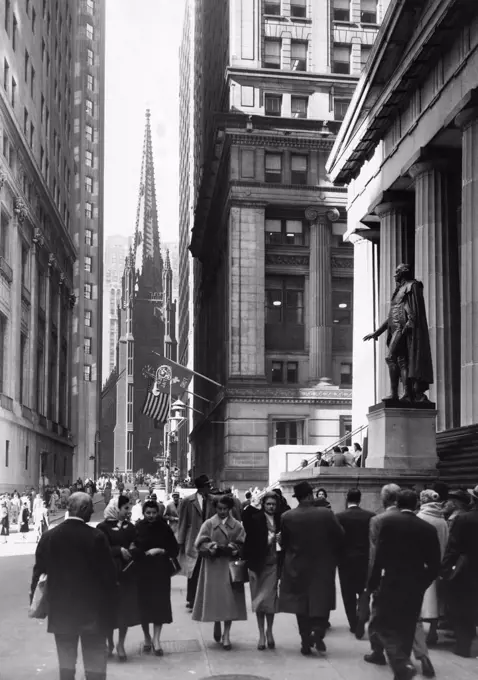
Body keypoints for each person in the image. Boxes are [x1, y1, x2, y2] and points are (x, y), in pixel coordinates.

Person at [30, 492, 117, 680]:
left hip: (61, 612)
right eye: (91, 508)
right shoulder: (96, 537)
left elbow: (38, 575)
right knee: (95, 665)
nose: (93, 512)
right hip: (93, 613)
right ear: (84, 509)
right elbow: (108, 576)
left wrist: (36, 603)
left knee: (66, 665)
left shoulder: (49, 536)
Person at [367, 490, 441, 680]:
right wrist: (422, 584)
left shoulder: (387, 523)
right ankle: (402, 669)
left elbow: (379, 557)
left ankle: (401, 663)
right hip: (415, 585)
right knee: (407, 627)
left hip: (391, 581)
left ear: (398, 504)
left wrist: (373, 582)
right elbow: (434, 565)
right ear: (416, 504)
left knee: (385, 626)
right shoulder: (427, 528)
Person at [279, 481, 344, 656]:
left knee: (301, 604)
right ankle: (318, 630)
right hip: (322, 565)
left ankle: (305, 640)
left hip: (297, 565)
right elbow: (340, 535)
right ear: (309, 495)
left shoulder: (287, 516)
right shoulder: (326, 514)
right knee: (321, 601)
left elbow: (284, 543)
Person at [364, 263, 433, 403]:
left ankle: (397, 393)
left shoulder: (413, 285)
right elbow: (391, 315)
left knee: (390, 357)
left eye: (397, 271)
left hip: (403, 329)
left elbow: (416, 308)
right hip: (394, 329)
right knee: (402, 361)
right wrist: (377, 332)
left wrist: (410, 324)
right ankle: (404, 394)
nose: (395, 274)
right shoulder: (399, 290)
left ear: (405, 272)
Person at [192, 495, 247, 650]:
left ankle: (227, 634)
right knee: (216, 599)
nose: (222, 512)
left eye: (225, 509)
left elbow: (243, 543)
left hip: (230, 567)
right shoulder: (208, 524)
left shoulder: (237, 525)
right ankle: (217, 623)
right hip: (213, 566)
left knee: (229, 601)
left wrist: (233, 548)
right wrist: (211, 547)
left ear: (230, 509)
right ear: (215, 508)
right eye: (219, 508)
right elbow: (199, 544)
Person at [132, 500, 179, 655]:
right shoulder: (138, 528)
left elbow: (174, 549)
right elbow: (132, 550)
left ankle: (157, 639)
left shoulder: (164, 528)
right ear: (143, 513)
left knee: (159, 606)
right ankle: (146, 637)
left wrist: (161, 550)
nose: (151, 516)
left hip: (160, 572)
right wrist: (144, 553)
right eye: (148, 513)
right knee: (143, 606)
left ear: (158, 513)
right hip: (143, 572)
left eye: (154, 513)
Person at [96, 496, 140, 662]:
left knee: (124, 611)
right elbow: (101, 549)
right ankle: (109, 643)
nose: (128, 512)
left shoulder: (131, 527)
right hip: (109, 574)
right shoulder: (102, 527)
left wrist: (133, 549)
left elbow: (138, 544)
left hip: (127, 573)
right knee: (109, 610)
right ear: (116, 508)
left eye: (129, 508)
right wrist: (118, 550)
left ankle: (121, 643)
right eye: (125, 508)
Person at [364, 483, 401, 664]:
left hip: (383, 576)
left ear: (384, 499)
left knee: (377, 615)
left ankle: (377, 651)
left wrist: (371, 581)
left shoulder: (378, 520)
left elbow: (374, 554)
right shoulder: (410, 518)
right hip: (405, 575)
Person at [413, 489, 448, 674]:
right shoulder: (442, 519)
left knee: (421, 603)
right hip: (439, 563)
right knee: (436, 601)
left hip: (422, 567)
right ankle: (433, 631)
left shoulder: (420, 519)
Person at [440, 483, 478, 658]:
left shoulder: (464, 519)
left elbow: (453, 547)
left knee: (463, 606)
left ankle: (464, 645)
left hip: (467, 569)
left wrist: (445, 569)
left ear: (473, 499)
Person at [243, 492, 281, 650]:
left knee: (270, 601)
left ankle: (270, 631)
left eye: (273, 504)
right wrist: (267, 540)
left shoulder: (280, 519)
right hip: (258, 564)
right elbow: (250, 542)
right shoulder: (256, 519)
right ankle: (261, 635)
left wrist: (281, 540)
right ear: (263, 505)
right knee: (259, 601)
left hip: (273, 564)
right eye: (268, 504)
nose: (271, 507)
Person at [335, 488, 375, 637]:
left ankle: (353, 623)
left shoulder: (339, 516)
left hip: (345, 560)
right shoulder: (370, 516)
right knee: (364, 592)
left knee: (348, 594)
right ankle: (363, 614)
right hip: (364, 559)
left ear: (347, 498)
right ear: (360, 499)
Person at [177, 475, 216, 610]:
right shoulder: (188, 501)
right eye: (207, 485)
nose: (209, 488)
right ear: (201, 487)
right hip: (192, 540)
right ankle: (192, 599)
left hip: (208, 540)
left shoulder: (213, 500)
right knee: (193, 571)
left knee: (207, 570)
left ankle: (206, 599)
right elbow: (182, 522)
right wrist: (180, 541)